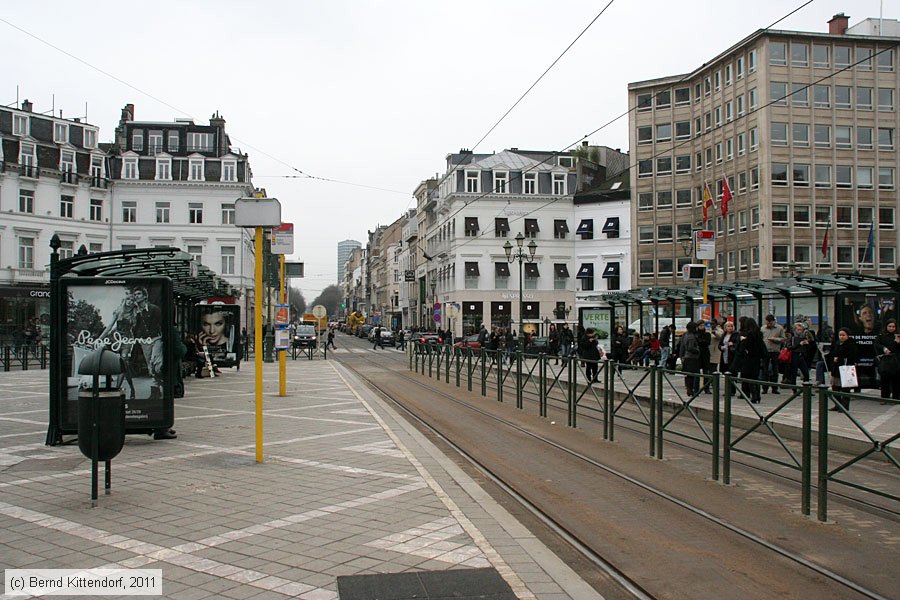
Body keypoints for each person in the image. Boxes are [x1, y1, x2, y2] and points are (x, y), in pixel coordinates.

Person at [131, 286, 165, 403]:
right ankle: (155, 389)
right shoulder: (135, 311)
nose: (136, 296)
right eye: (135, 294)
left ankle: (160, 384)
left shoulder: (154, 309)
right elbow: (134, 327)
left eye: (139, 294)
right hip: (144, 341)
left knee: (156, 363)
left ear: (145, 296)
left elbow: (162, 323)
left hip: (156, 338)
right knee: (150, 366)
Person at [733, 317, 766, 404]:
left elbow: (744, 347)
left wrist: (742, 340)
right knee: (755, 377)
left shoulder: (749, 335)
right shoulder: (759, 334)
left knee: (748, 377)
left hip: (749, 358)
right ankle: (757, 395)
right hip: (757, 359)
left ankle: (753, 395)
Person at [827, 327, 859, 411]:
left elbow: (852, 357)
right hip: (836, 369)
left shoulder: (851, 345)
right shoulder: (837, 343)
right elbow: (832, 353)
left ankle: (844, 407)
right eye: (840, 335)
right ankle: (837, 404)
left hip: (846, 369)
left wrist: (839, 359)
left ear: (847, 336)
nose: (841, 337)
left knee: (845, 389)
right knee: (835, 388)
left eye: (843, 335)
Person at [875, 319, 900, 404]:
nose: (891, 328)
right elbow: (877, 344)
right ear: (886, 327)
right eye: (890, 326)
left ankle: (895, 398)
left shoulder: (897, 336)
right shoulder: (881, 335)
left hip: (896, 361)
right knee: (884, 380)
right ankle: (884, 398)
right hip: (885, 360)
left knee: (896, 380)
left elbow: (894, 348)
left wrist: (897, 342)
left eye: (893, 326)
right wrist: (883, 348)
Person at [761, 315, 785, 394]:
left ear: (773, 321)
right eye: (768, 323)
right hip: (765, 351)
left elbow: (783, 339)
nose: (769, 324)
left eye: (771, 323)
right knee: (765, 369)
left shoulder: (779, 328)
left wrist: (775, 339)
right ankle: (764, 388)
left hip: (775, 351)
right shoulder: (763, 328)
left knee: (775, 369)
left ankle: (774, 388)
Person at [680, 321, 701, 396]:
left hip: (686, 357)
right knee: (694, 374)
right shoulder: (691, 337)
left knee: (689, 375)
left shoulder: (685, 335)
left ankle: (689, 389)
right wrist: (697, 350)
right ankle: (692, 390)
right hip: (692, 357)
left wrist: (681, 356)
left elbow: (682, 346)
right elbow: (690, 347)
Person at [696, 322, 713, 393]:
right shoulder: (696, 334)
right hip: (698, 354)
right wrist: (701, 341)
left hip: (705, 353)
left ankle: (706, 387)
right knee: (697, 371)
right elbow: (697, 342)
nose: (702, 327)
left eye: (703, 325)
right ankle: (696, 388)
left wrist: (700, 341)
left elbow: (707, 342)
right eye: (701, 325)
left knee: (706, 371)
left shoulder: (707, 334)